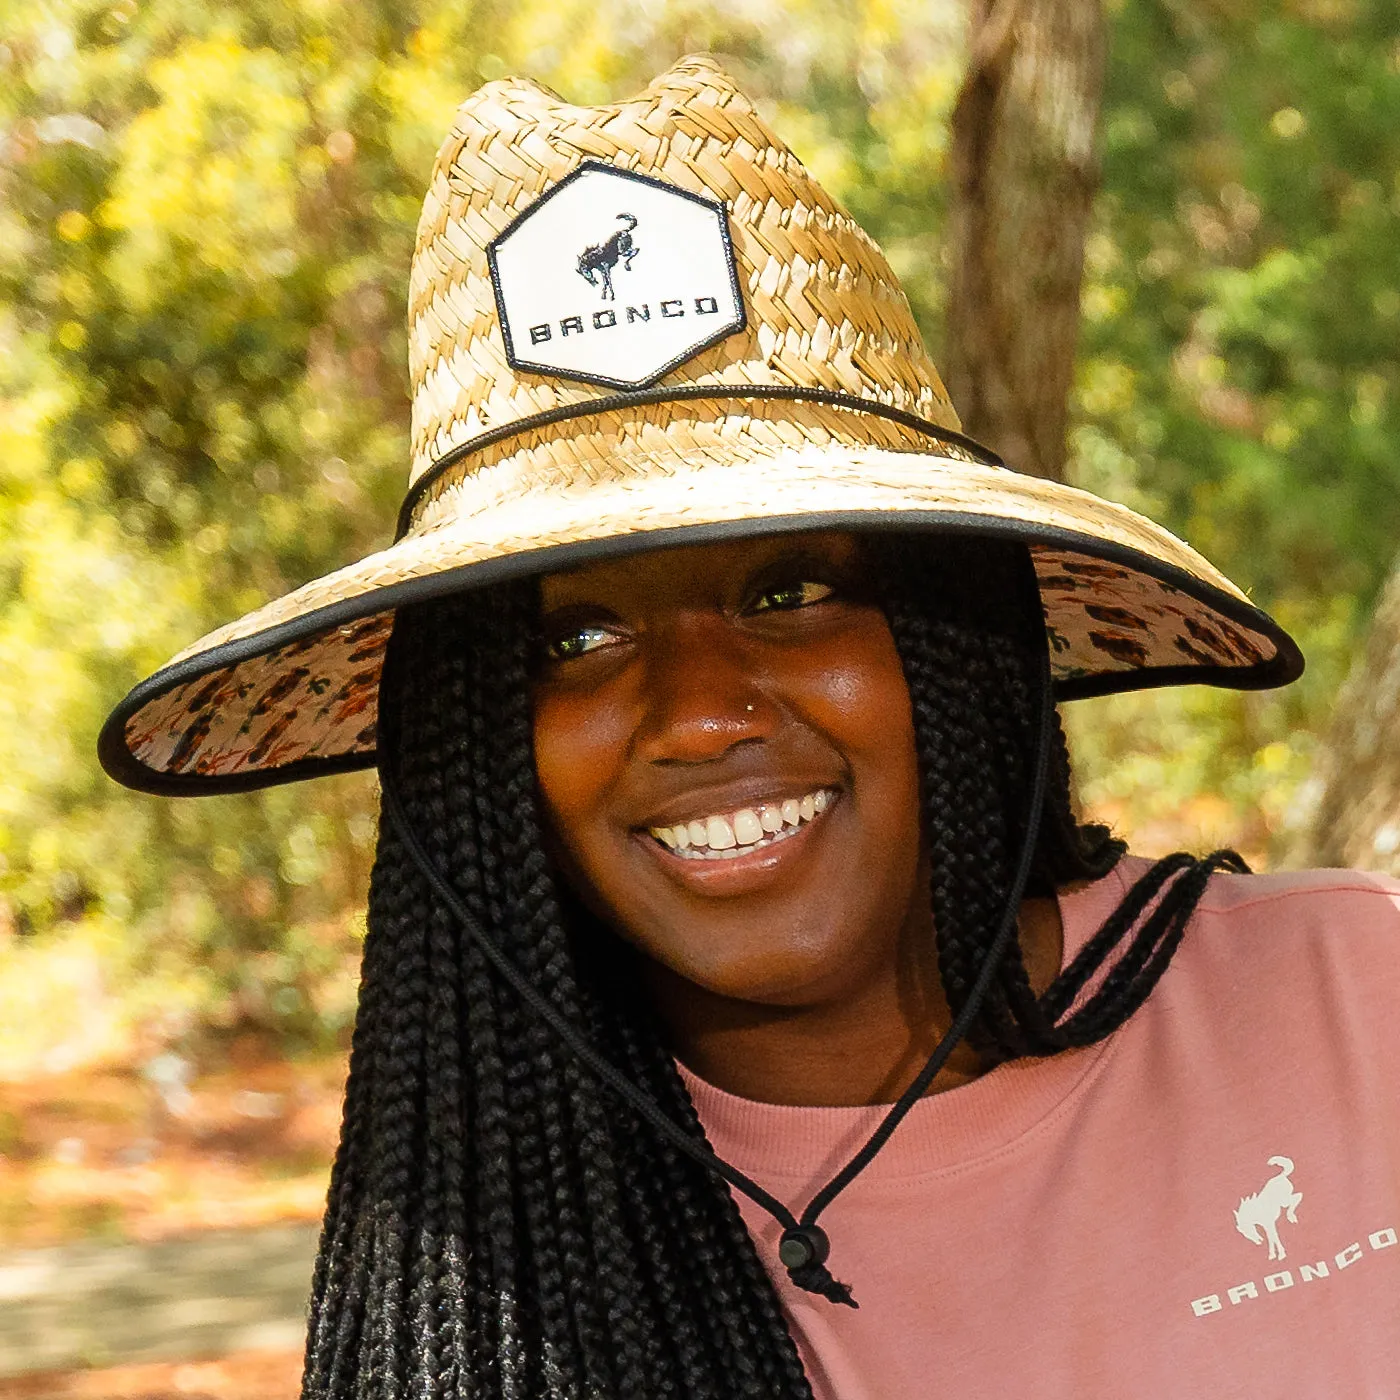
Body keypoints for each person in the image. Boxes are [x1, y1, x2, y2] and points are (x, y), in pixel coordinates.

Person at [99, 56, 1400, 1400]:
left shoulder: (1359, 1002)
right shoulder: (490, 1244)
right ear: (477, 752)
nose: (702, 715)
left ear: (959, 646)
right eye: (577, 640)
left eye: (792, 592)